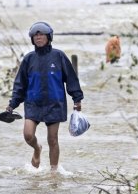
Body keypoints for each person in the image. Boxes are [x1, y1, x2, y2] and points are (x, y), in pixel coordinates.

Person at [5, 21, 84, 171]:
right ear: (32, 39)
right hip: (33, 104)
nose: (38, 37)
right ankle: (37, 149)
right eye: (35, 35)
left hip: (55, 104)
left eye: (41, 34)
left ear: (49, 37)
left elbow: (71, 79)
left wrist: (77, 99)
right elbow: (20, 85)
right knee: (28, 135)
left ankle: (53, 172)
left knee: (53, 140)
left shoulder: (59, 56)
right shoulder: (28, 59)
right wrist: (12, 104)